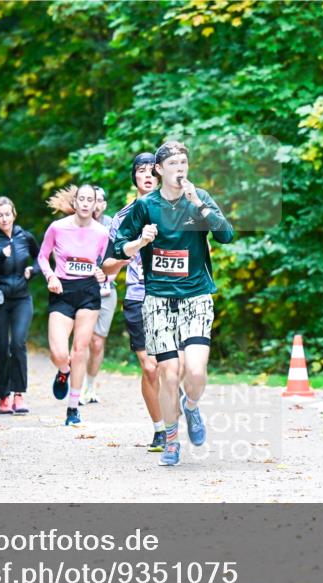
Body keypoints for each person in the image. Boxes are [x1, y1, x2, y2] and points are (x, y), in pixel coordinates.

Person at [111, 140, 234, 466]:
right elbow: (117, 247)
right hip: (158, 300)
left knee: (195, 370)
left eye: (184, 163)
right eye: (174, 164)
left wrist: (201, 207)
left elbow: (226, 235)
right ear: (159, 170)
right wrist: (140, 241)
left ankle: (191, 406)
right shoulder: (146, 206)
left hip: (196, 296)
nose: (180, 169)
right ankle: (170, 439)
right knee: (168, 372)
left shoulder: (199, 199)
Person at [101, 153, 166, 451]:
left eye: (153, 170)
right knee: (149, 367)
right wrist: (134, 247)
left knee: (170, 368)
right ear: (135, 178)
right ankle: (159, 429)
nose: (148, 175)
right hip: (138, 296)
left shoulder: (176, 209)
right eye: (142, 171)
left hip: (172, 295)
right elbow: (108, 266)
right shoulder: (122, 218)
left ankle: (178, 416)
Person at [38, 184, 110, 426]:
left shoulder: (101, 232)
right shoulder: (57, 228)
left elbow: (104, 263)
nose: (87, 203)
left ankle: (73, 408)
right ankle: (63, 371)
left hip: (88, 292)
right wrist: (51, 276)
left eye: (91, 199)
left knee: (80, 349)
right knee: (59, 353)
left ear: (95, 204)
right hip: (62, 291)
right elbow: (42, 256)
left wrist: (103, 274)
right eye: (82, 199)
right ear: (75, 202)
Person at [0, 196, 41, 415]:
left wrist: (33, 271)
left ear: (14, 214)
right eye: (0, 215)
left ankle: (19, 394)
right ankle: (3, 397)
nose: (4, 219)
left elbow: (41, 259)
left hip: (22, 299)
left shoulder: (25, 237)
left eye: (8, 214)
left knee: (18, 344)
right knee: (2, 349)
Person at [81, 186, 117, 405]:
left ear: (104, 204)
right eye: (93, 200)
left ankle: (91, 386)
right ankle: (79, 384)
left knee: (97, 342)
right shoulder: (78, 223)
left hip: (106, 290)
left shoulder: (112, 225)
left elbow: (120, 255)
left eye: (101, 201)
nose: (97, 204)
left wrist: (107, 277)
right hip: (82, 288)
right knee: (83, 340)